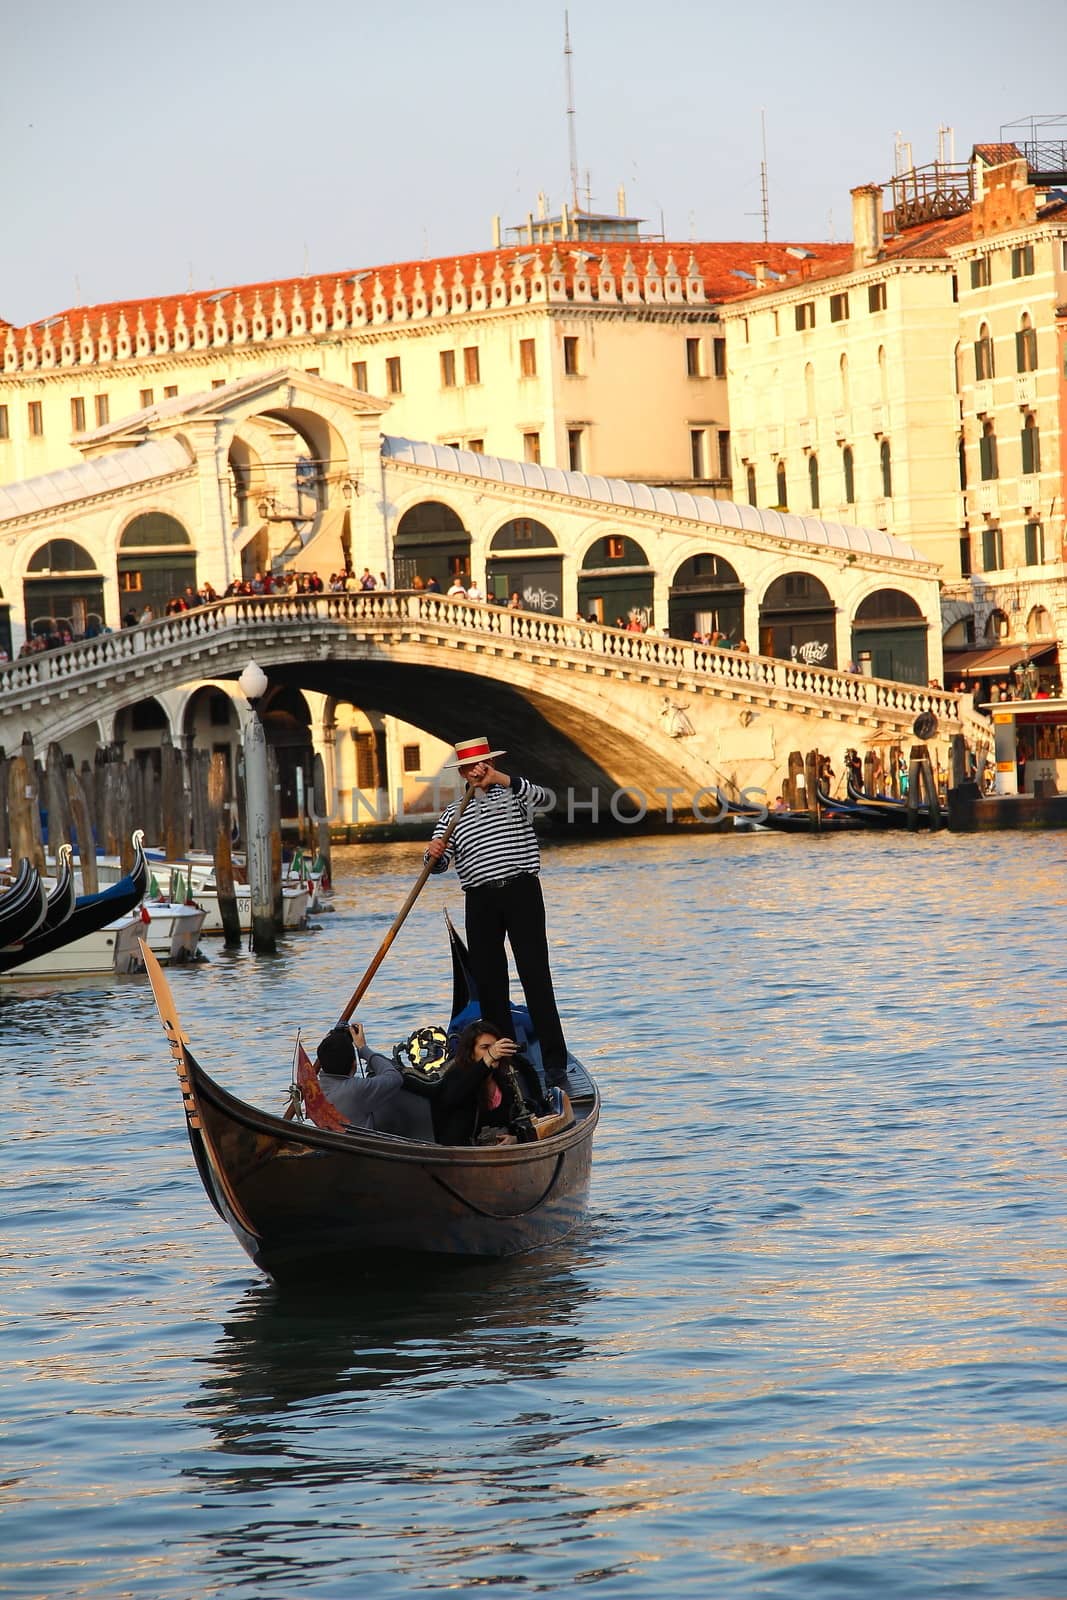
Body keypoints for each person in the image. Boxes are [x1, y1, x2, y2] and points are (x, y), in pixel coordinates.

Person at [425, 735, 570, 1092]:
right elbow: (439, 865)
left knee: (536, 978)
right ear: (462, 771)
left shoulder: (516, 796)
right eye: (471, 767)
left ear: (490, 764)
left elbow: (549, 800)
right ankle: (507, 1067)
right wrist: (433, 853)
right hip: (479, 901)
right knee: (490, 987)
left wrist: (501, 779)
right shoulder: (451, 814)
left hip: (522, 893)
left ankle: (555, 1067)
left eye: (482, 765)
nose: (477, 771)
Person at [315, 1021, 434, 1140]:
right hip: (363, 1148)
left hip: (338, 1143)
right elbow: (394, 1077)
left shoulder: (314, 1091)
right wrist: (363, 1048)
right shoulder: (355, 1089)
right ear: (354, 1065)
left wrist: (330, 1044)